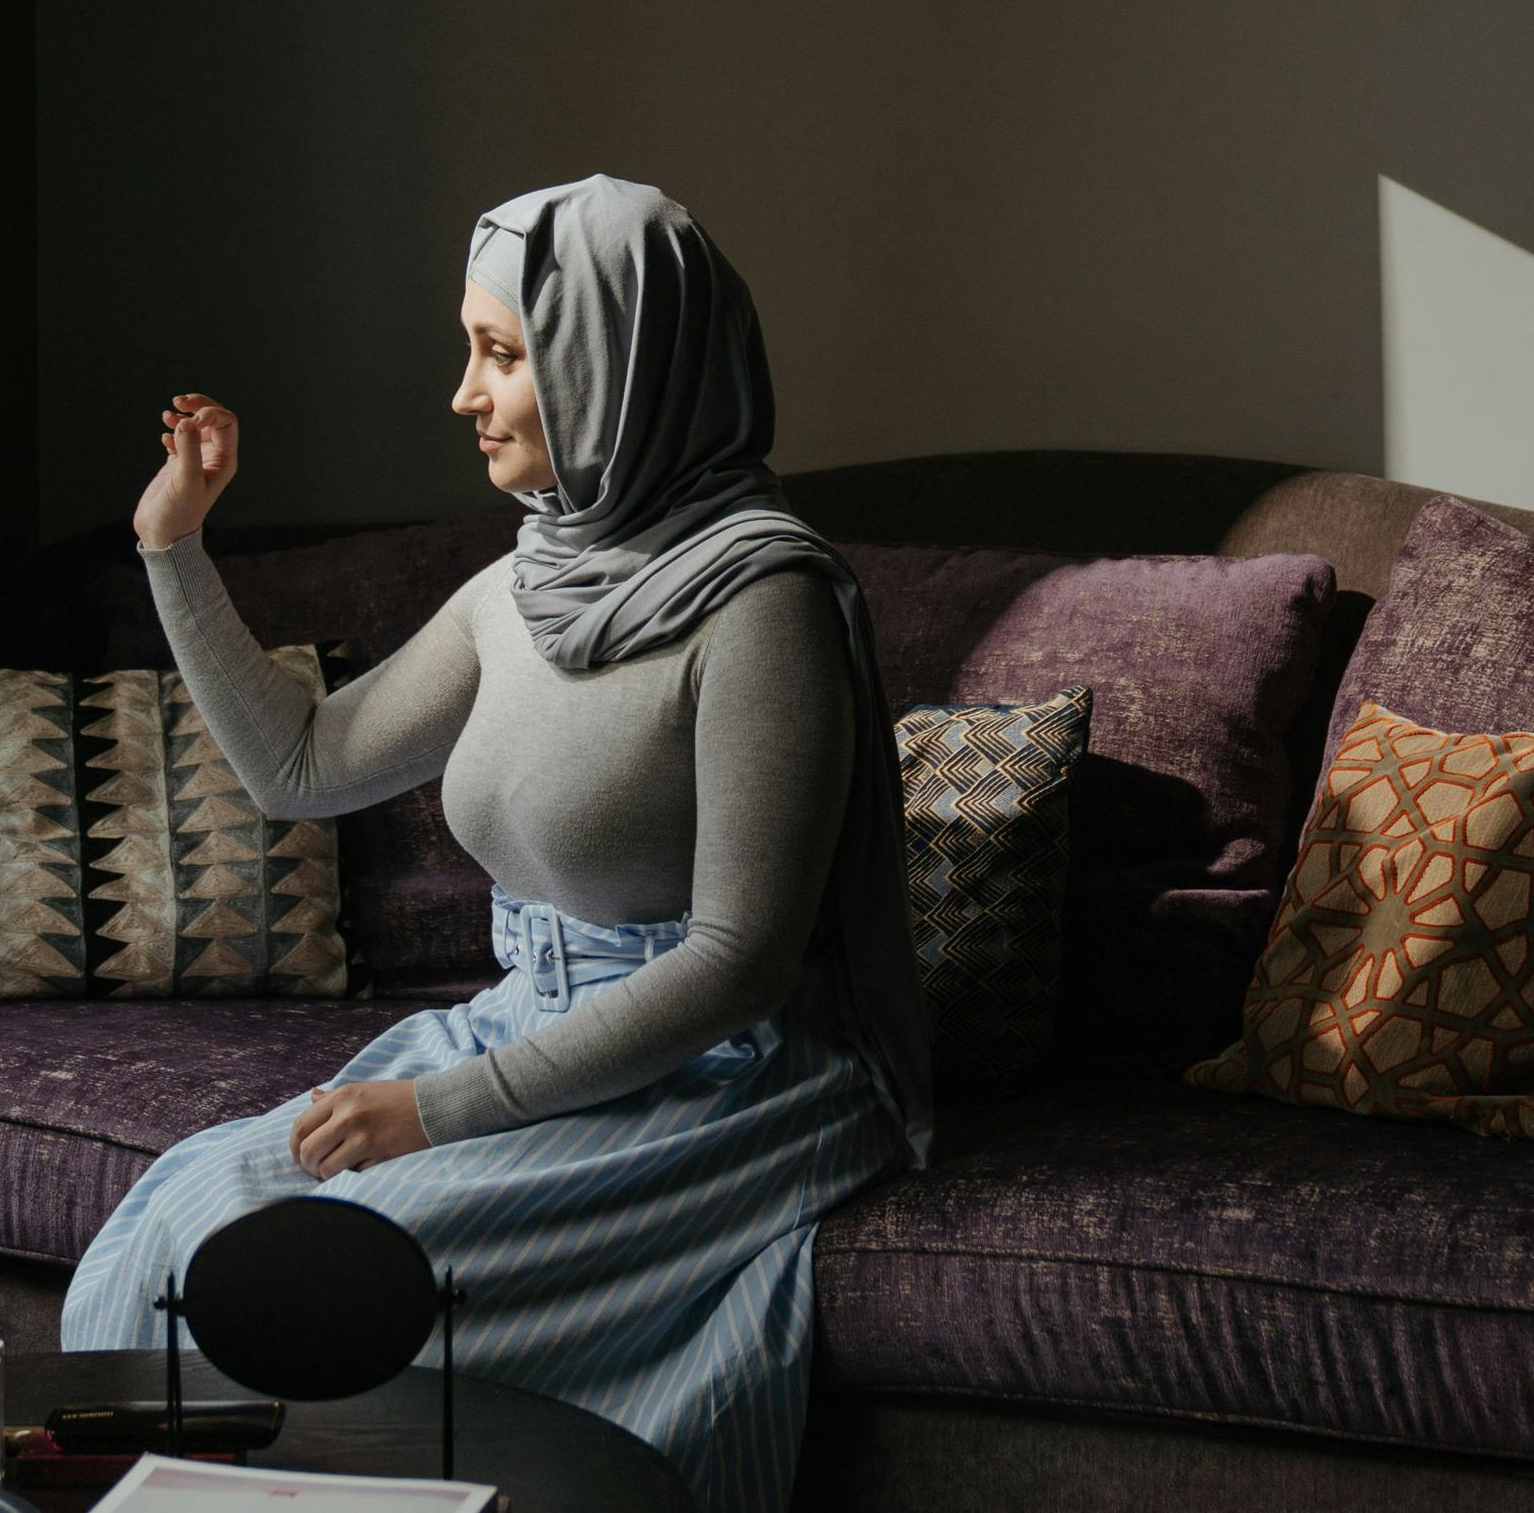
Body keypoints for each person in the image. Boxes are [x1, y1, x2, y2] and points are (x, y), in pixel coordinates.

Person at [60, 175, 930, 1513]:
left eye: (502, 353)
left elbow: (740, 964)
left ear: (615, 363)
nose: (464, 392)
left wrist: (432, 1111)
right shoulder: (519, 585)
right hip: (524, 1024)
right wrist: (170, 543)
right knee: (179, 1226)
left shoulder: (763, 605)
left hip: (713, 1080)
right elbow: (300, 765)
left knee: (312, 1285)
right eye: (472, 347)